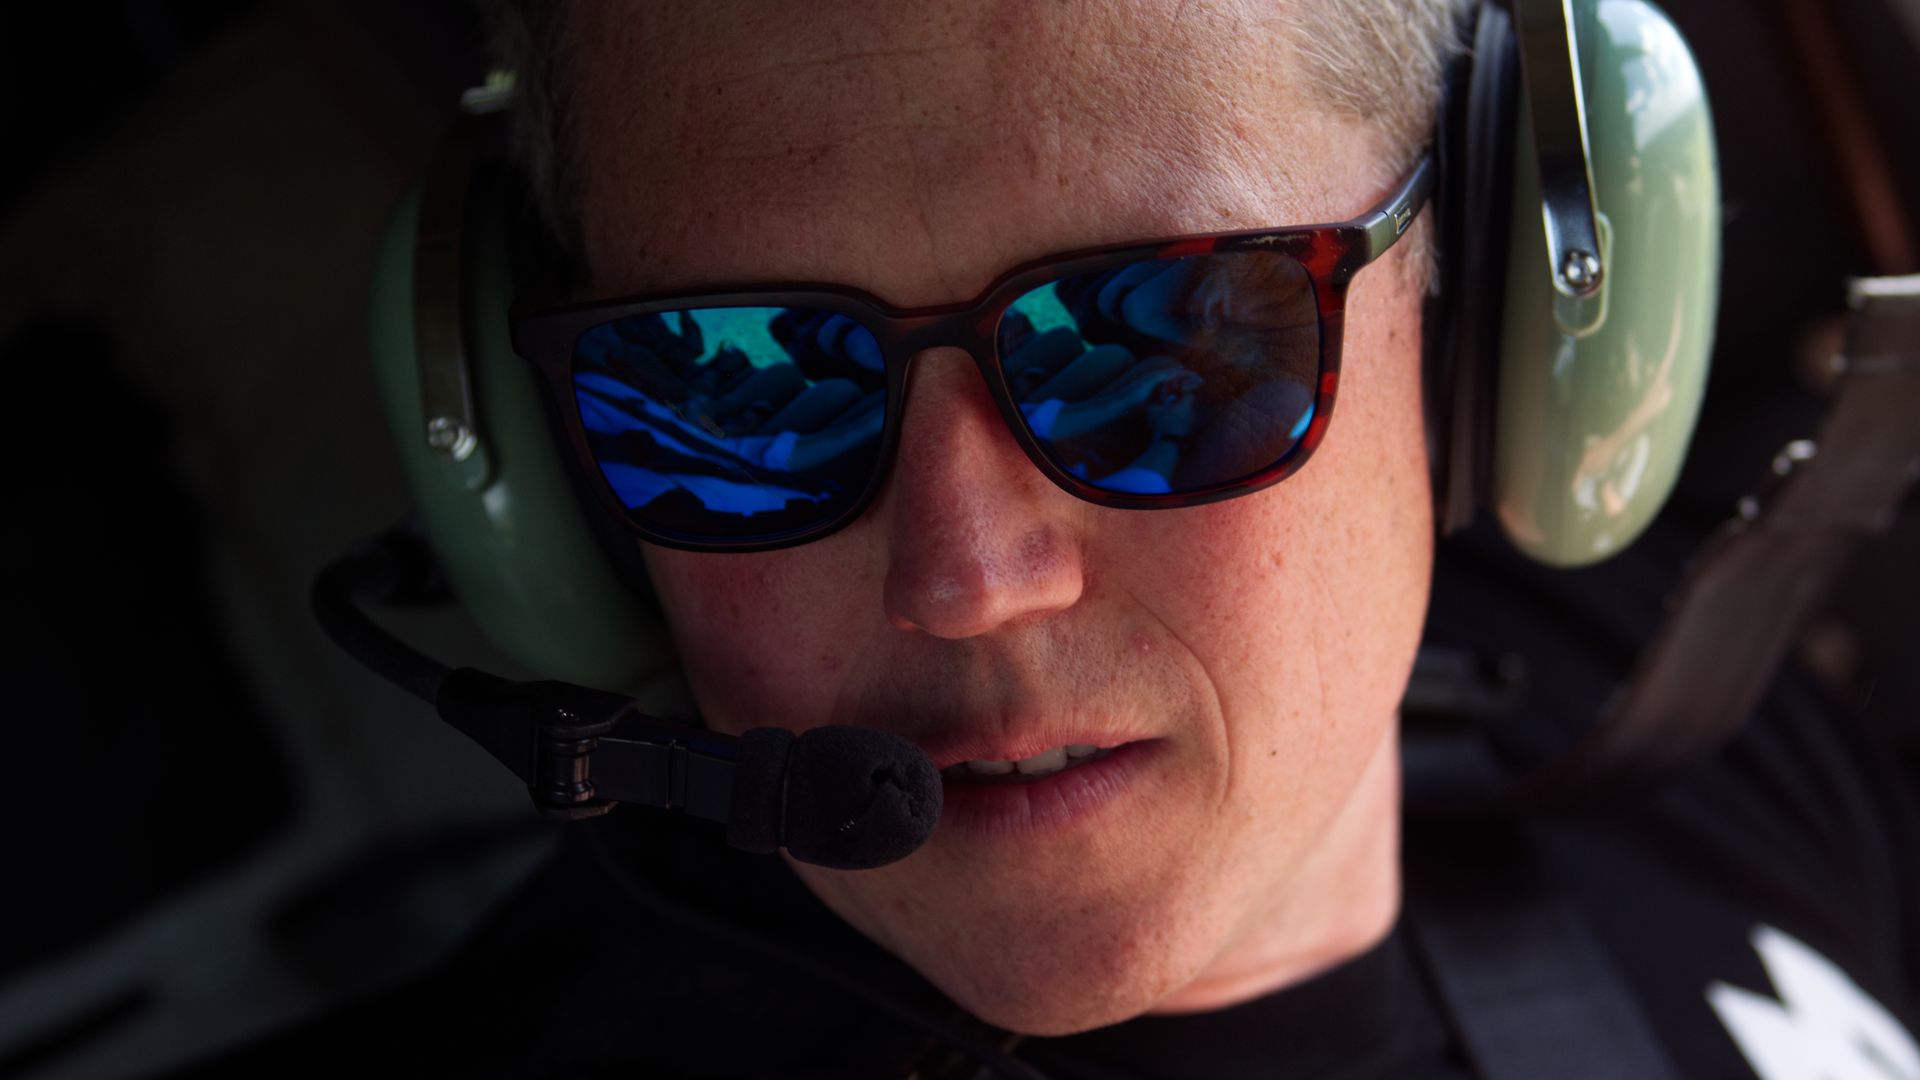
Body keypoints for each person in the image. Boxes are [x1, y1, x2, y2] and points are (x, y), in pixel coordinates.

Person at [200, 1, 1920, 1076]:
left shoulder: (1691, 714)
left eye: (1167, 342)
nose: (965, 575)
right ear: (553, 481)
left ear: (1486, 316)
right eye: (733, 386)